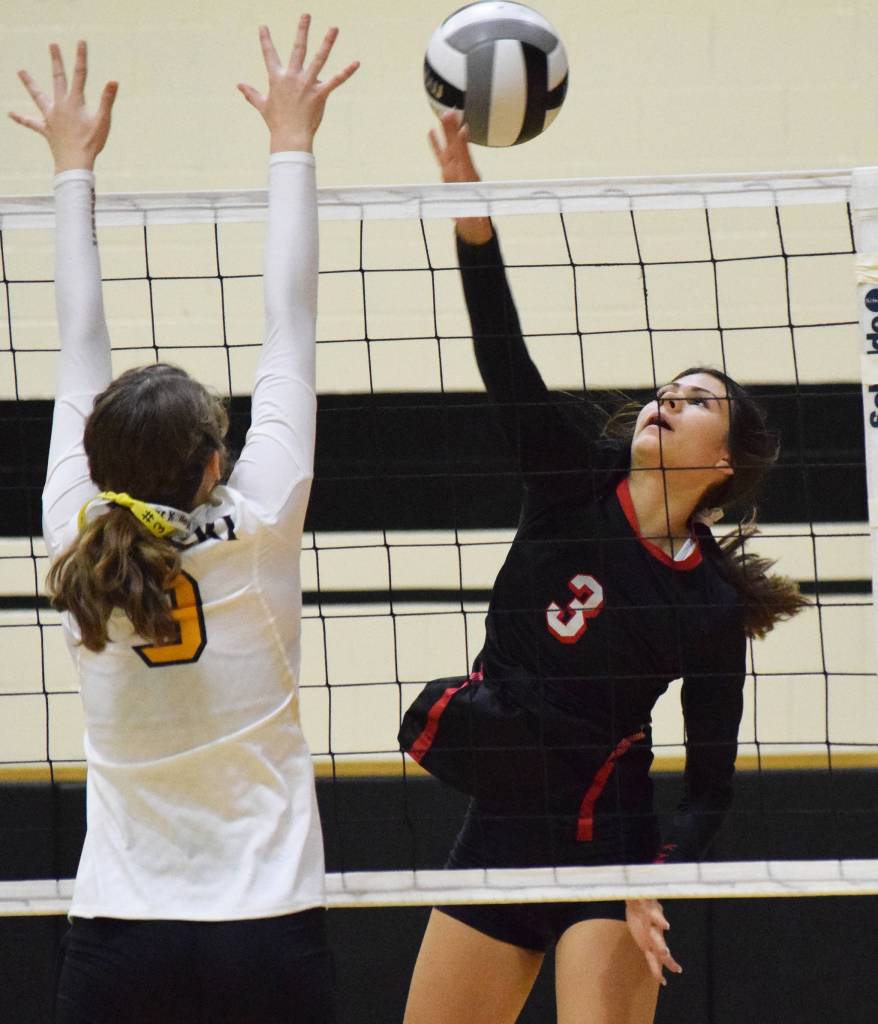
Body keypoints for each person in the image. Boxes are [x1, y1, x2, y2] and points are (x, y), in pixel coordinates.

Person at [399, 112, 808, 1024]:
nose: (669, 396)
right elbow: (505, 362)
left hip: (609, 840)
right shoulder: (569, 478)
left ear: (724, 465)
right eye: (669, 386)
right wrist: (475, 228)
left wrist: (655, 879)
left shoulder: (708, 605)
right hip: (504, 818)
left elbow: (710, 787)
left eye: (697, 398)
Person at [10, 19, 357, 1024]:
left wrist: (70, 165)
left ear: (100, 459)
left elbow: (78, 342)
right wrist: (291, 140)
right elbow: (290, 316)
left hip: (118, 937)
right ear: (216, 463)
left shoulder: (75, 528)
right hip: (266, 934)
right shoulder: (260, 520)